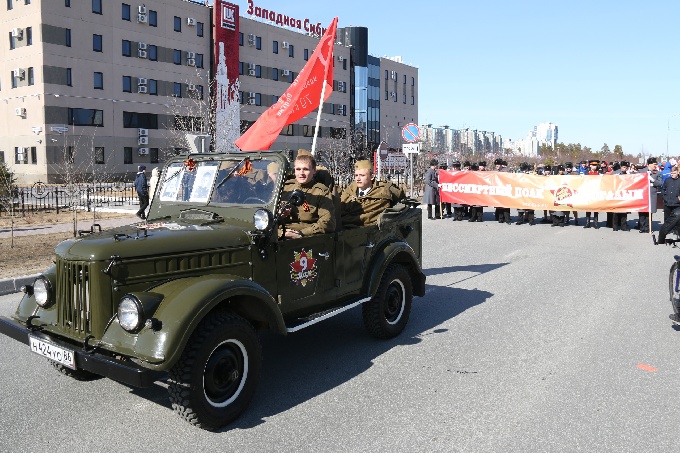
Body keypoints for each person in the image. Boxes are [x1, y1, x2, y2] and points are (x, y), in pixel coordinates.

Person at [279, 154, 335, 239]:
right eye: (298, 169)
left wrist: (301, 233)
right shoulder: (285, 188)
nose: (301, 173)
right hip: (281, 233)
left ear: (314, 170)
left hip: (306, 237)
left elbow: (328, 222)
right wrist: (280, 231)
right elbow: (268, 219)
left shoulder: (321, 191)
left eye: (305, 169)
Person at [340, 160, 405, 228]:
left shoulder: (382, 192)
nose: (358, 179)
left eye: (362, 175)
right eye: (356, 175)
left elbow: (400, 197)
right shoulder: (348, 192)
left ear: (372, 176)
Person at [638, 157, 662, 233]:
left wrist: (653, 180)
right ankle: (642, 227)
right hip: (643, 194)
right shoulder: (641, 171)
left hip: (652, 194)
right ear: (649, 164)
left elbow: (660, 183)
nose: (655, 165)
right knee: (642, 211)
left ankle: (648, 227)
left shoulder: (657, 172)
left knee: (649, 211)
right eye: (654, 164)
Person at [584, 160, 601, 229]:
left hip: (596, 192)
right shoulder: (587, 173)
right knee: (588, 208)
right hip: (589, 192)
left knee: (595, 208)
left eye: (595, 165)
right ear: (590, 165)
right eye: (593, 165)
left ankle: (595, 223)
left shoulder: (599, 173)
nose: (594, 167)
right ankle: (587, 222)